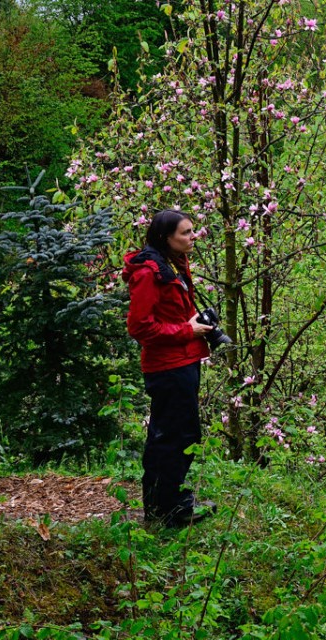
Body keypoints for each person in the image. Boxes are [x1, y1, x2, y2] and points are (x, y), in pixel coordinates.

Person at [123, 210, 215, 527]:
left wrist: (195, 326)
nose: (193, 237)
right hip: (168, 366)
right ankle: (166, 511)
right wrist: (187, 332)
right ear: (166, 237)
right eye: (186, 233)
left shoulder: (171, 264)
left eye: (193, 230)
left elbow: (174, 312)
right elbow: (139, 327)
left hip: (183, 361)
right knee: (171, 437)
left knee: (182, 434)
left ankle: (172, 504)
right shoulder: (149, 273)